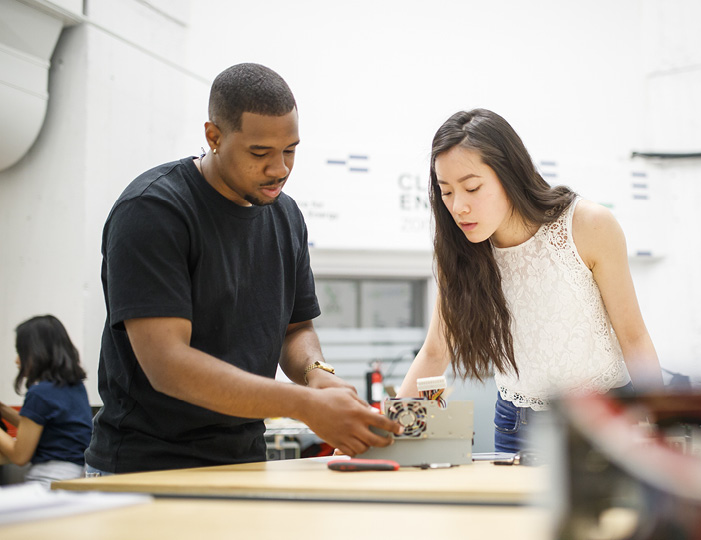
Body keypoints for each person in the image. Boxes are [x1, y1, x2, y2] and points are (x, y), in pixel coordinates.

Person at [84, 63, 401, 475]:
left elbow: (296, 329)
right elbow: (168, 366)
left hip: (244, 462)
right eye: (260, 153)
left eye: (290, 150)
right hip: (144, 469)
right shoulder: (153, 210)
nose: (280, 169)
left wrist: (315, 375)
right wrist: (305, 403)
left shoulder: (285, 217)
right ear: (214, 137)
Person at [397, 109, 664, 453]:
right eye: (446, 192)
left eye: (472, 187)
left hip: (603, 416)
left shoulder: (587, 225)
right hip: (516, 422)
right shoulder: (460, 253)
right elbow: (435, 352)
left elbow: (635, 337)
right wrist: (391, 429)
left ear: (509, 174)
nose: (459, 206)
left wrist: (657, 426)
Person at [0, 315, 93, 488]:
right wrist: (3, 409)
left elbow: (19, 456)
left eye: (20, 352)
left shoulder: (40, 393)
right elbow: (35, 427)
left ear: (36, 352)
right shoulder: (74, 387)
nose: (17, 360)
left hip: (47, 481)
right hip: (74, 477)